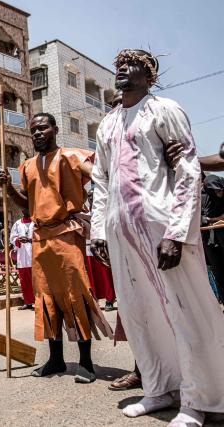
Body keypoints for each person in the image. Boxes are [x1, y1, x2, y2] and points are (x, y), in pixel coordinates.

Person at [90, 49, 224, 426]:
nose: (122, 71)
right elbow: (100, 180)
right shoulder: (107, 124)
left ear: (150, 76)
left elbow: (187, 171)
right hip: (120, 234)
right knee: (138, 314)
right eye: (118, 66)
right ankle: (158, 388)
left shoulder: (164, 110)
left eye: (132, 66)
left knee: (183, 312)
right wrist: (97, 231)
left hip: (161, 227)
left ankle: (197, 400)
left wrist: (177, 233)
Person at [0, 112, 112, 384]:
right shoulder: (26, 166)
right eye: (33, 130)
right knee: (45, 298)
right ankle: (56, 358)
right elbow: (27, 204)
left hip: (67, 233)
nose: (37, 133)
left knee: (76, 294)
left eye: (42, 128)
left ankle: (85, 362)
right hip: (40, 238)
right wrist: (9, 188)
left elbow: (100, 176)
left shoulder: (72, 156)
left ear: (54, 129)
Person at [10, 208, 34, 310]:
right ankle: (27, 302)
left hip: (34, 254)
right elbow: (12, 237)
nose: (25, 211)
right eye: (24, 210)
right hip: (22, 256)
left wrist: (30, 239)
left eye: (27, 209)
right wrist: (18, 240)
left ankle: (37, 301)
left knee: (35, 281)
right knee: (24, 281)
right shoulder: (17, 223)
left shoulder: (35, 222)